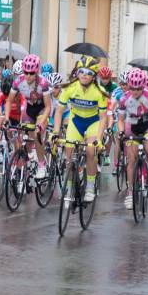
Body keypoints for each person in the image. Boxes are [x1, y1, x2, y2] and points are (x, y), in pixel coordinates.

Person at [53, 56, 109, 202]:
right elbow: (59, 112)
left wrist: (98, 138)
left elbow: (103, 117)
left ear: (94, 76)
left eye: (89, 72)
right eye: (81, 71)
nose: (84, 74)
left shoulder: (100, 92)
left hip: (93, 123)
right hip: (76, 121)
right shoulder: (69, 88)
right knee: (69, 156)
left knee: (91, 151)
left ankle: (90, 186)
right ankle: (70, 185)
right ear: (77, 73)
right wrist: (55, 132)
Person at [118, 69, 148, 209]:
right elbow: (120, 120)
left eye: (138, 88)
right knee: (131, 160)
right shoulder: (124, 99)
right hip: (131, 126)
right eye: (132, 88)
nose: (135, 91)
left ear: (143, 86)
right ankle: (130, 193)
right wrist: (120, 132)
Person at [6, 54, 52, 177]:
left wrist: (42, 122)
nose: (28, 76)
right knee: (23, 134)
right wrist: (6, 118)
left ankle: (42, 165)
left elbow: (48, 106)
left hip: (42, 109)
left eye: (31, 73)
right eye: (26, 72)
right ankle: (25, 160)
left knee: (37, 133)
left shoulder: (43, 83)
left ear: (36, 71)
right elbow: (9, 101)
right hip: (29, 109)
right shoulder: (18, 81)